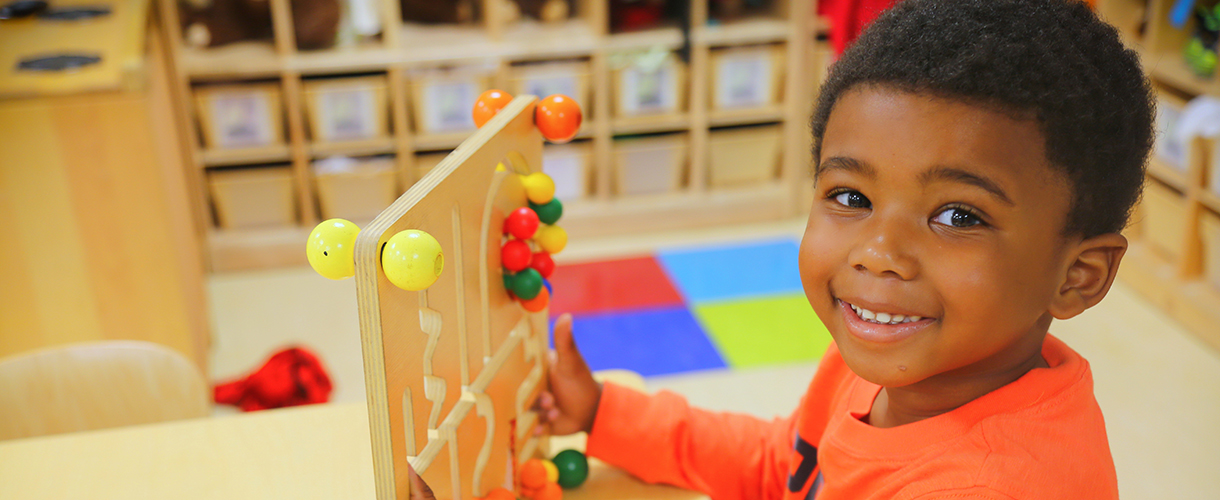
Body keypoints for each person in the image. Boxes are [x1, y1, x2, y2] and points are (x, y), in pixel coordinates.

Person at [533, 0, 1153, 498]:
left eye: (958, 215)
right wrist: (603, 413)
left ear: (1078, 275)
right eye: (852, 197)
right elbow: (784, 468)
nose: (879, 252)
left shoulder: (990, 486)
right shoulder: (888, 362)